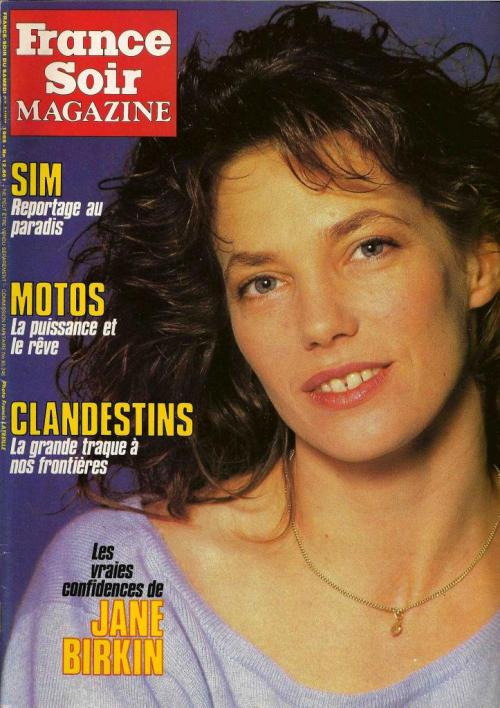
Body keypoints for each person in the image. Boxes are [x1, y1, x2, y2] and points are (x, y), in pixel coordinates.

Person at [2, 3, 499, 706]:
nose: (320, 324)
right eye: (263, 283)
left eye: (369, 247)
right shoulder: (120, 581)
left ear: (479, 260)